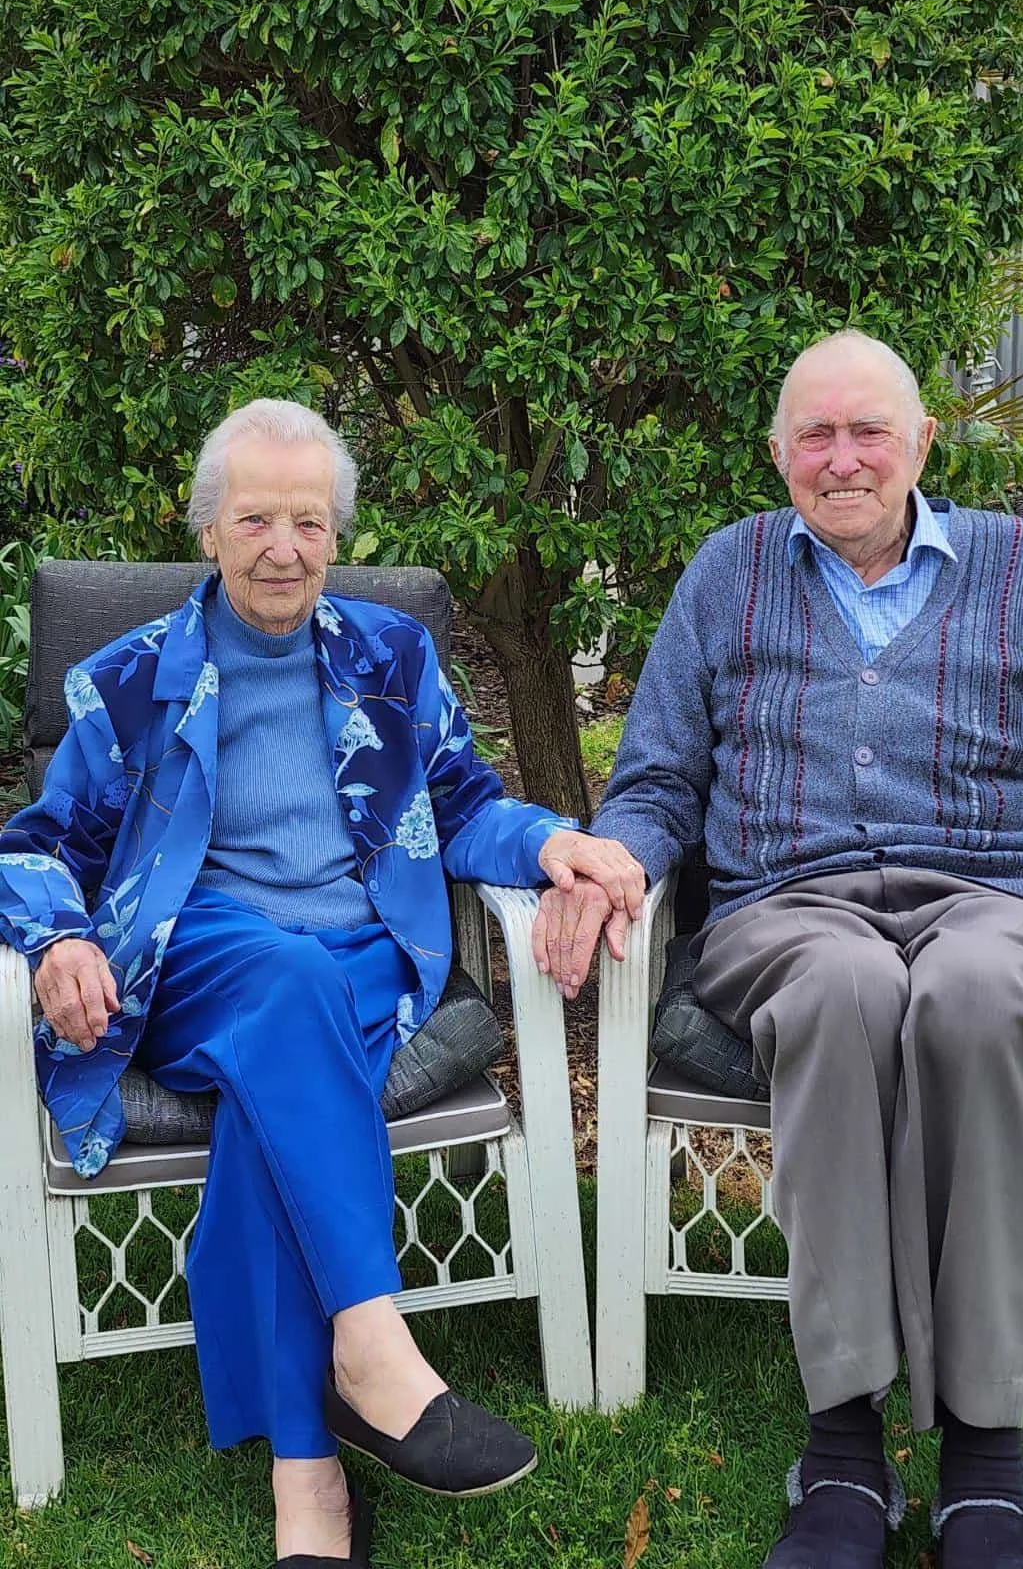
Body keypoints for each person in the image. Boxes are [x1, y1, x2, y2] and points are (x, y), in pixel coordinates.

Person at [532, 330, 1023, 1569]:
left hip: (1004, 901)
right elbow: (659, 776)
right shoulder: (727, 573)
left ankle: (984, 1454)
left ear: (922, 444)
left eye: (869, 431)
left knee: (975, 992)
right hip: (791, 908)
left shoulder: (1019, 569)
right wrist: (612, 854)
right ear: (779, 451)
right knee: (848, 987)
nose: (842, 459)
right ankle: (842, 1444)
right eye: (816, 436)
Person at [0, 399, 642, 1568]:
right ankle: (373, 1349)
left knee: (282, 1072)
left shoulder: (390, 658)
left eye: (308, 521)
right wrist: (57, 941)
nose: (283, 547)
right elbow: (38, 844)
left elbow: (464, 802)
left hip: (363, 963)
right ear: (208, 531)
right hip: (200, 963)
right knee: (285, 978)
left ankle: (309, 1476)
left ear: (336, 536)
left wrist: (554, 841)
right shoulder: (128, 682)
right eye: (255, 519)